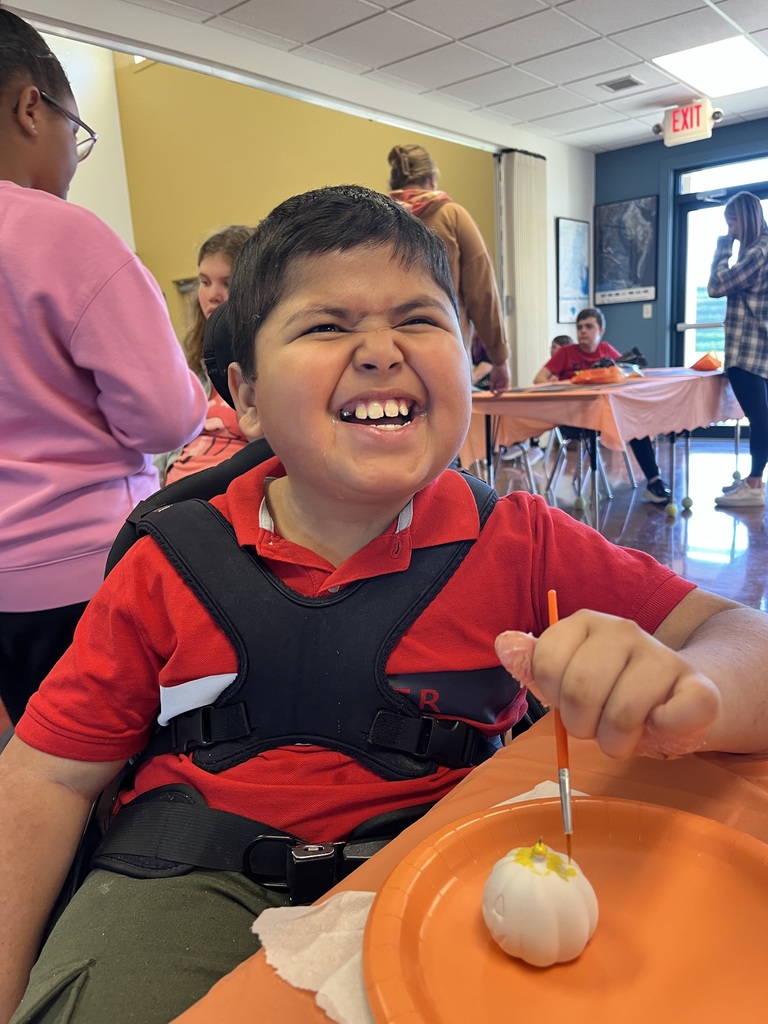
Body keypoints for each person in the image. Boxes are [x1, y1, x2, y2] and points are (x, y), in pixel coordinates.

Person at [3, 185, 768, 1024]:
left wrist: (694, 687)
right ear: (245, 394)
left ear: (467, 355)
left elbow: (742, 638)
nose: (379, 351)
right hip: (185, 882)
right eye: (325, 326)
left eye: (419, 319)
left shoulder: (522, 539)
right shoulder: (165, 564)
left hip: (435, 868)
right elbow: (44, 777)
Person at [0, 9, 207, 726]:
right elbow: (165, 415)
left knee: (37, 758)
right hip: (88, 564)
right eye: (75, 134)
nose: (72, 155)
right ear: (33, 107)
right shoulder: (58, 232)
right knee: (117, 772)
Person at [388, 143, 510, 393]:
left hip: (389, 349)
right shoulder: (452, 216)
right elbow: (482, 293)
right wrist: (499, 358)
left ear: (394, 180)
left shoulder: (377, 219)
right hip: (443, 345)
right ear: (432, 178)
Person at [534, 307, 672, 504]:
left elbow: (626, 375)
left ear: (601, 330)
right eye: (579, 327)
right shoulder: (566, 353)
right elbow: (539, 379)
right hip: (573, 418)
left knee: (634, 425)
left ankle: (654, 480)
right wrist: (566, 386)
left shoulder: (606, 351)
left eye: (589, 326)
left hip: (605, 417)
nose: (582, 331)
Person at [158, 225, 255, 485]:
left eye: (227, 283)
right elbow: (163, 446)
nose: (213, 295)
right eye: (204, 282)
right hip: (169, 495)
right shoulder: (189, 360)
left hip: (228, 495)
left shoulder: (264, 362)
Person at [707, 192, 768, 509]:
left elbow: (715, 287)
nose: (730, 228)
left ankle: (755, 485)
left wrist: (722, 245)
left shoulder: (758, 252)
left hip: (749, 351)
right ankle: (753, 479)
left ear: (742, 219)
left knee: (760, 419)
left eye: (731, 221)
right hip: (760, 350)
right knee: (761, 417)